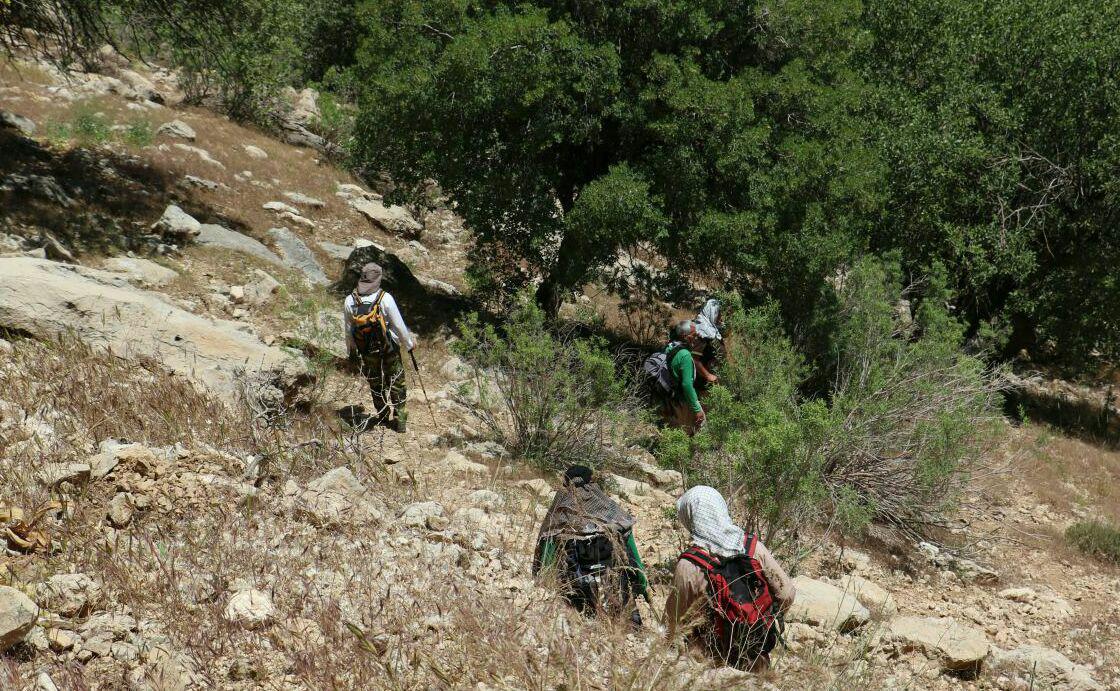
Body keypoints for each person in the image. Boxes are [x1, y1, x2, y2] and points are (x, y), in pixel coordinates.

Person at [665, 486, 796, 672]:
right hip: (756, 659)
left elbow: (673, 621)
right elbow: (787, 594)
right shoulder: (753, 548)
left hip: (708, 665)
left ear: (689, 517)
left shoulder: (689, 565)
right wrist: (760, 620)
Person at [533, 465, 650, 627]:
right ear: (591, 482)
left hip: (576, 594)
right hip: (616, 586)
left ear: (566, 484)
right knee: (628, 625)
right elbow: (632, 555)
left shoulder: (559, 513)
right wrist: (641, 585)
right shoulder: (609, 510)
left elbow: (546, 558)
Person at [344, 262, 416, 432]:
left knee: (375, 382)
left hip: (366, 349)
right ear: (378, 278)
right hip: (388, 347)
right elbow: (399, 325)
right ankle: (400, 419)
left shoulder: (350, 300)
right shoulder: (385, 298)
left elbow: (349, 330)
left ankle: (382, 414)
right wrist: (409, 345)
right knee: (397, 380)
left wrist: (351, 352)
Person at [668, 320, 707, 432]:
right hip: (684, 399)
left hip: (672, 398)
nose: (698, 336)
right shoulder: (685, 355)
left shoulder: (671, 347)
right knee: (701, 429)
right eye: (694, 334)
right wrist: (697, 409)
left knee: (681, 430)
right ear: (685, 336)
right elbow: (687, 384)